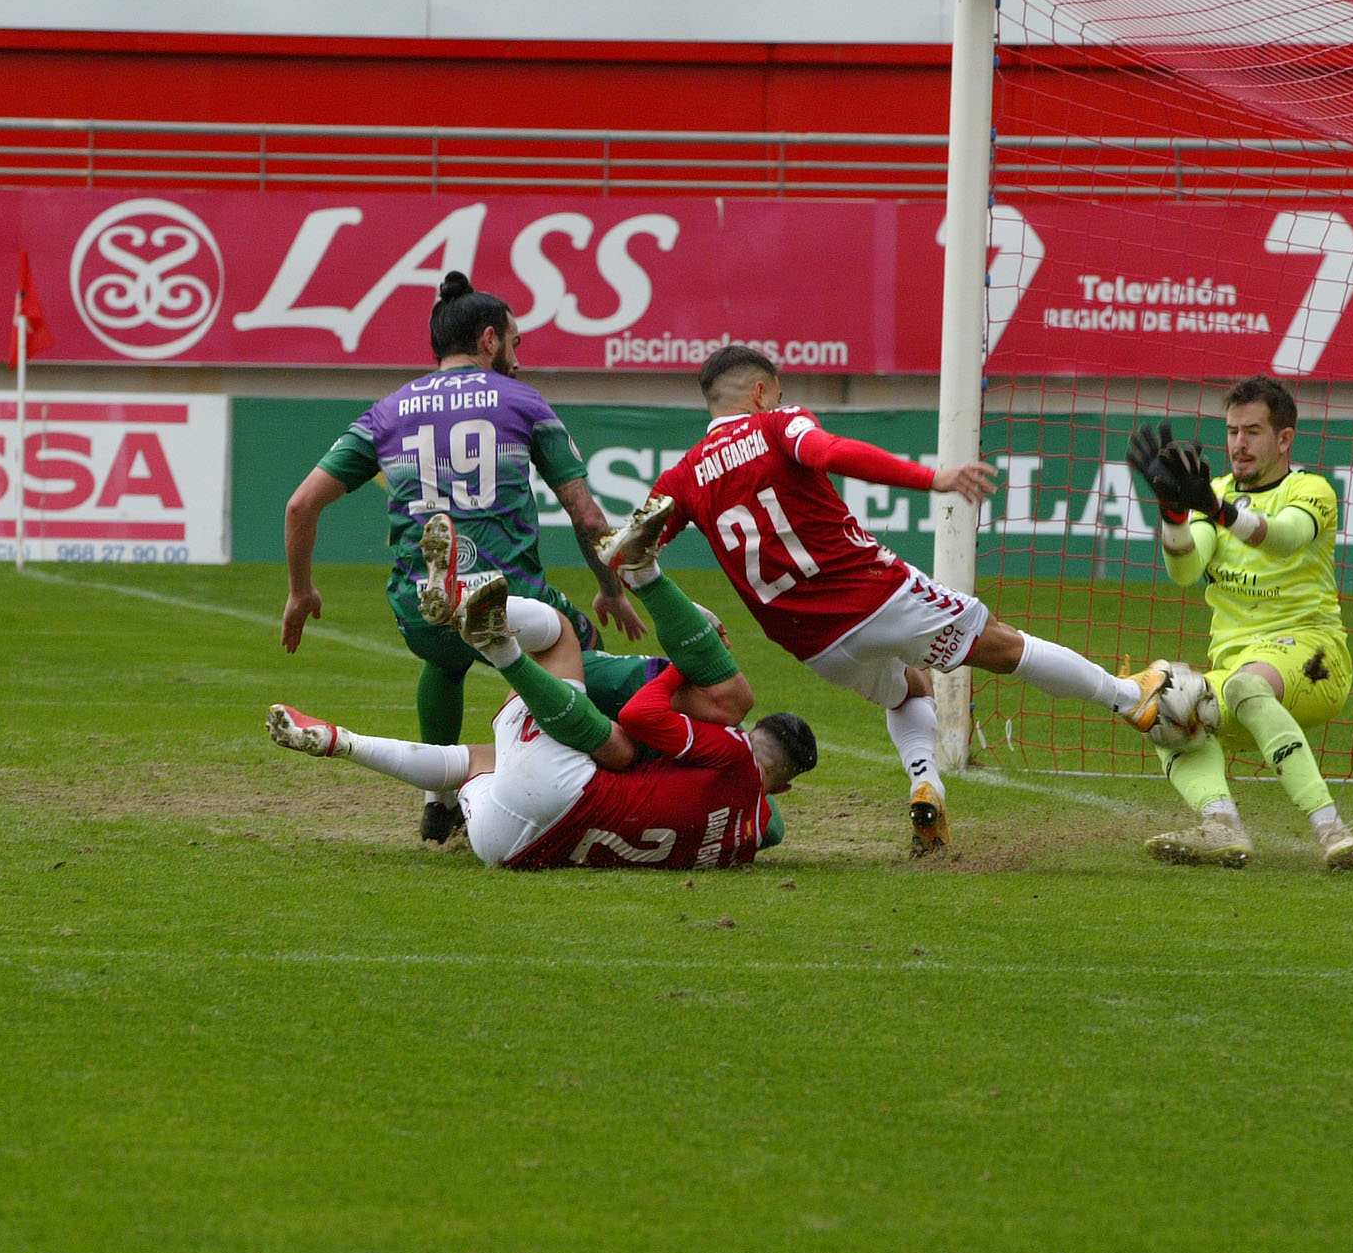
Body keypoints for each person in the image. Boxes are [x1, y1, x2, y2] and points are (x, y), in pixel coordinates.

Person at [599, 343, 1168, 858]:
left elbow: (629, 551)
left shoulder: (683, 476)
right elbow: (830, 451)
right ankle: (1128, 699)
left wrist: (625, 591)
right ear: (760, 392)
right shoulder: (777, 425)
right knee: (1002, 643)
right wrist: (932, 479)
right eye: (780, 391)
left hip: (810, 643)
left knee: (910, 689)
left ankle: (926, 784)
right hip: (873, 594)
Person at [279, 271, 644, 847]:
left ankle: (439, 799)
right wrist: (610, 589)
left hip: (418, 615)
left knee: (447, 655)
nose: (520, 361)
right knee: (580, 653)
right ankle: (593, 793)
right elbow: (590, 519)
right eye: (517, 344)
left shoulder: (388, 411)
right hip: (510, 599)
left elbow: (300, 505)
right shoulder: (522, 402)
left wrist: (301, 591)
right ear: (491, 340)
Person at [269, 516, 816, 871]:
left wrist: (676, 667)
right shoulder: (756, 827)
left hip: (584, 747)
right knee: (480, 762)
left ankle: (476, 613)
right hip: (508, 846)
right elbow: (771, 827)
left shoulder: (728, 739)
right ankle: (344, 742)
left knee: (562, 640)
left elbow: (645, 716)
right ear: (782, 791)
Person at [1124, 374, 1353, 870]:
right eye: (1232, 431)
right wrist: (1173, 513)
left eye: (1252, 431)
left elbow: (1281, 538)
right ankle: (1221, 827)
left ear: (1284, 439)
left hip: (1314, 658)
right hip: (1239, 668)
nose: (1239, 444)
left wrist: (1216, 509)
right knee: (1158, 707)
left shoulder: (1311, 490)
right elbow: (1186, 570)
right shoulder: (1209, 491)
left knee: (1243, 686)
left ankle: (1332, 831)